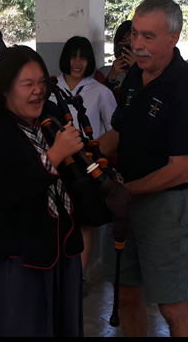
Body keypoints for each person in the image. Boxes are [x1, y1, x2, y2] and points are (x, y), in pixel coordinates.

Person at [98, 0, 188, 337]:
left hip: (164, 208)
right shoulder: (135, 75)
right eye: (135, 34)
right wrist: (83, 153)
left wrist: (122, 190)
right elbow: (120, 131)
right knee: (127, 294)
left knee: (171, 304)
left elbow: (181, 170)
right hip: (124, 203)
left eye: (149, 36)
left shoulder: (187, 89)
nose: (138, 45)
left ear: (174, 38)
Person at [0, 45, 85, 337]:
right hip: (21, 256)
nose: (38, 91)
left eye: (42, 83)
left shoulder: (46, 123)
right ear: (5, 88)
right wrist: (54, 155)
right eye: (28, 84)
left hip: (62, 250)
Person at [50, 35, 117, 296]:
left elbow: (114, 129)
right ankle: (56, 271)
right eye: (73, 56)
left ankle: (79, 276)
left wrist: (95, 152)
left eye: (84, 57)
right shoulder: (50, 87)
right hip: (56, 164)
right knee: (56, 219)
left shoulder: (100, 91)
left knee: (84, 221)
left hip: (86, 166)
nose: (77, 63)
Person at [95, 20, 137, 100]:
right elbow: (97, 102)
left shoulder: (149, 73)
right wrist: (112, 76)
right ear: (116, 44)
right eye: (123, 41)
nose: (128, 47)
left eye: (132, 42)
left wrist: (137, 71)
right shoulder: (103, 73)